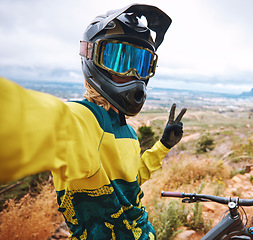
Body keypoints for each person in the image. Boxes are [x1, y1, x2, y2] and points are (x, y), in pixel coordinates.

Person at [0, 4, 186, 239]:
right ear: (94, 59)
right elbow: (28, 119)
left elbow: (131, 182)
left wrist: (162, 147)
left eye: (141, 64)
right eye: (120, 60)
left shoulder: (127, 132)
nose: (133, 74)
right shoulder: (82, 120)